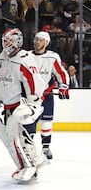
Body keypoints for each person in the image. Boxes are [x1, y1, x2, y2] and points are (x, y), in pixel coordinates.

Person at [0, 28, 46, 183]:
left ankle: (27, 167)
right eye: (4, 40)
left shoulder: (25, 58)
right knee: (12, 136)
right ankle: (34, 157)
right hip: (7, 105)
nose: (5, 43)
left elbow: (33, 81)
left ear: (17, 41)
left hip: (20, 105)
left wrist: (33, 103)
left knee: (11, 138)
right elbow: (2, 78)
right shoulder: (2, 56)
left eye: (8, 40)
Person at [31, 31, 70, 159]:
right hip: (30, 96)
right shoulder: (27, 56)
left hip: (46, 95)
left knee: (46, 123)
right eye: (36, 39)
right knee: (28, 122)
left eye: (41, 40)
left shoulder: (52, 57)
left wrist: (63, 86)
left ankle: (46, 148)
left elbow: (61, 73)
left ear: (46, 43)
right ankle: (28, 147)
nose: (37, 42)